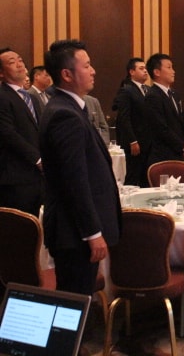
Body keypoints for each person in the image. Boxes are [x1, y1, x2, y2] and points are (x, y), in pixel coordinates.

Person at [39, 40, 121, 295]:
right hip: (74, 233)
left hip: (74, 231)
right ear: (67, 74)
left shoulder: (71, 108)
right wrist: (92, 233)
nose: (93, 71)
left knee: (77, 300)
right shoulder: (65, 115)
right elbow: (74, 181)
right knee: (74, 300)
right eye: (86, 66)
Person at [0, 48, 44, 216]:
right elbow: (7, 133)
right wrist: (37, 158)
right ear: (1, 73)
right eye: (12, 62)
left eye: (20, 59)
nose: (19, 64)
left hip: (37, 177)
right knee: (20, 226)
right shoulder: (2, 96)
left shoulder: (31, 97)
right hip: (15, 177)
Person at [145, 53, 184, 166]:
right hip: (163, 154)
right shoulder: (152, 96)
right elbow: (161, 128)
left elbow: (183, 119)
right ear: (157, 72)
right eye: (169, 67)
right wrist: (183, 146)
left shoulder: (174, 94)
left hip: (178, 152)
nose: (173, 71)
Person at [112, 58, 152, 187]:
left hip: (149, 142)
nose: (145, 71)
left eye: (145, 68)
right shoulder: (126, 90)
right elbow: (124, 118)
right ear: (131, 72)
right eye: (141, 68)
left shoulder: (148, 89)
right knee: (133, 176)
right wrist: (132, 141)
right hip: (135, 142)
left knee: (146, 178)